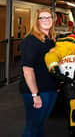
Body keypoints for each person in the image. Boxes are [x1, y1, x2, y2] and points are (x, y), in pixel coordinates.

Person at [19, 8, 58, 137]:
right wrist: (35, 94)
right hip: (37, 90)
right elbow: (27, 70)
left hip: (50, 88)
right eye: (43, 18)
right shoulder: (30, 41)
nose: (47, 20)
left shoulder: (50, 39)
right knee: (33, 126)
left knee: (41, 124)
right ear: (37, 21)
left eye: (49, 17)